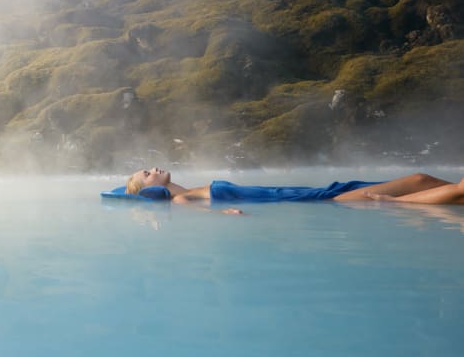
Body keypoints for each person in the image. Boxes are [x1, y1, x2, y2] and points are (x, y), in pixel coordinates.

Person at [126, 169, 464, 205]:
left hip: (300, 191)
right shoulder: (181, 198)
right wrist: (227, 213)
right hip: (309, 201)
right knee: (416, 184)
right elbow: (201, 215)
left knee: (420, 180)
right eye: (146, 172)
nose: (153, 169)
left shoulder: (192, 189)